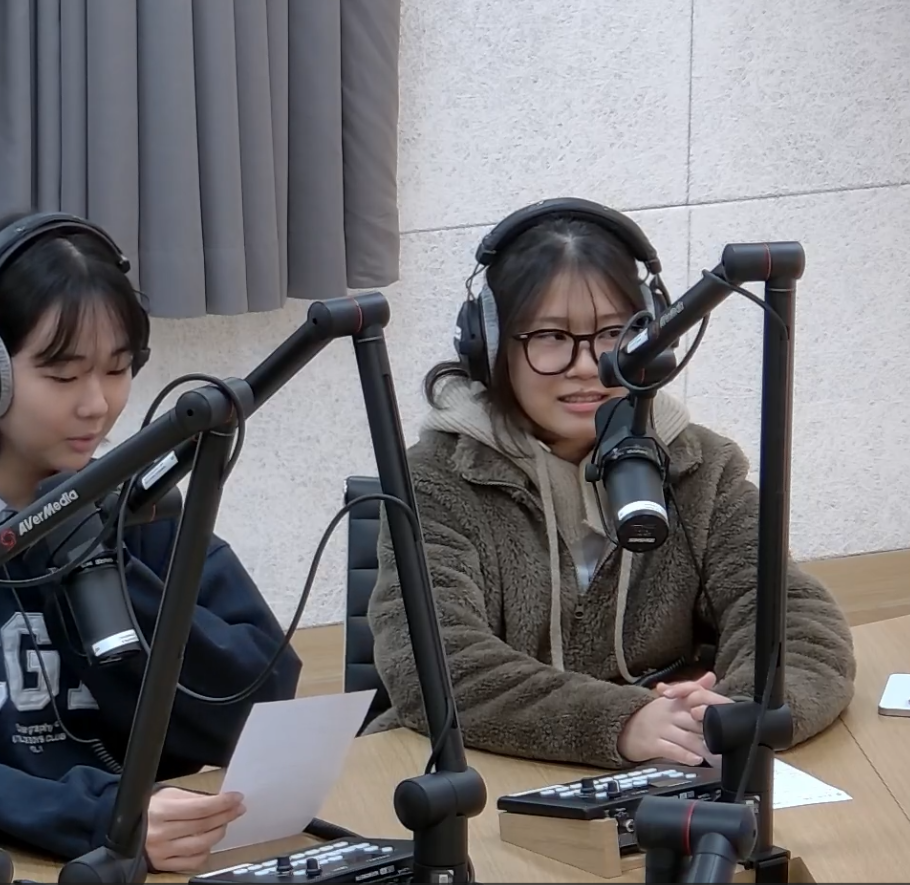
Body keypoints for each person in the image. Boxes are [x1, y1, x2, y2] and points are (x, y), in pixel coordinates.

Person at [0, 212, 301, 873]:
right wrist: (106, 817)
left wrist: (102, 563)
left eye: (118, 370)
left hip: (160, 853)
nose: (97, 404)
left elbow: (261, 699)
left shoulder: (137, 507)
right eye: (63, 376)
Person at [364, 198, 857, 770]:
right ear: (491, 345)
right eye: (550, 335)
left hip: (667, 769)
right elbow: (429, 662)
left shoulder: (702, 467)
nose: (587, 365)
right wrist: (620, 723)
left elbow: (794, 622)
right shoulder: (435, 479)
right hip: (471, 766)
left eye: (613, 333)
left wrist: (730, 716)